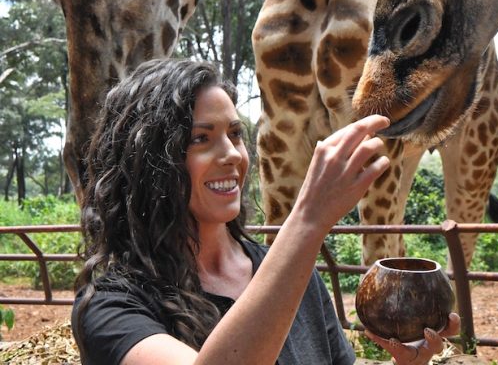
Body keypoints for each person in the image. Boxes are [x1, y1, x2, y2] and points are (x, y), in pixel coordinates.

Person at [71, 58, 460, 365]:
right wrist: (307, 221)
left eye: (235, 134)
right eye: (200, 139)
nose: (231, 155)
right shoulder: (111, 307)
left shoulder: (293, 273)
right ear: (147, 161)